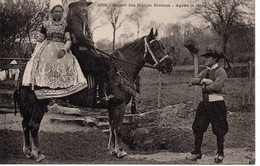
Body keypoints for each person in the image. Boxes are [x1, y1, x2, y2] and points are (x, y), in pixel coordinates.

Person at [22, 0, 88, 99]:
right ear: (52, 13)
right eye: (56, 11)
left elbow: (68, 40)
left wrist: (64, 50)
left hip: (61, 47)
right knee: (44, 62)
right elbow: (40, 40)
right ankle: (44, 86)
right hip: (47, 47)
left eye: (60, 11)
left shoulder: (65, 26)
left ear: (62, 13)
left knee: (69, 62)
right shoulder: (46, 24)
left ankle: (65, 88)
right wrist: (35, 53)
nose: (58, 13)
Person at [186, 45, 229, 163]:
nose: (206, 60)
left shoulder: (221, 71)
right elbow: (192, 80)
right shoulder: (205, 71)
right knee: (197, 127)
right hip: (204, 104)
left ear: (214, 59)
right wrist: (203, 80)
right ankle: (197, 152)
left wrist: (202, 86)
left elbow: (216, 87)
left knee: (219, 129)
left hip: (217, 104)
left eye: (208, 58)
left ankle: (220, 153)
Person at [67, 0, 111, 103]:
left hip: (85, 51)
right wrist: (91, 44)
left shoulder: (83, 20)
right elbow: (79, 36)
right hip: (78, 52)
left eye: (85, 6)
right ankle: (100, 95)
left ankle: (104, 92)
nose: (84, 8)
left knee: (107, 60)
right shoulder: (75, 19)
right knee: (102, 65)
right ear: (74, 8)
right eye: (81, 5)